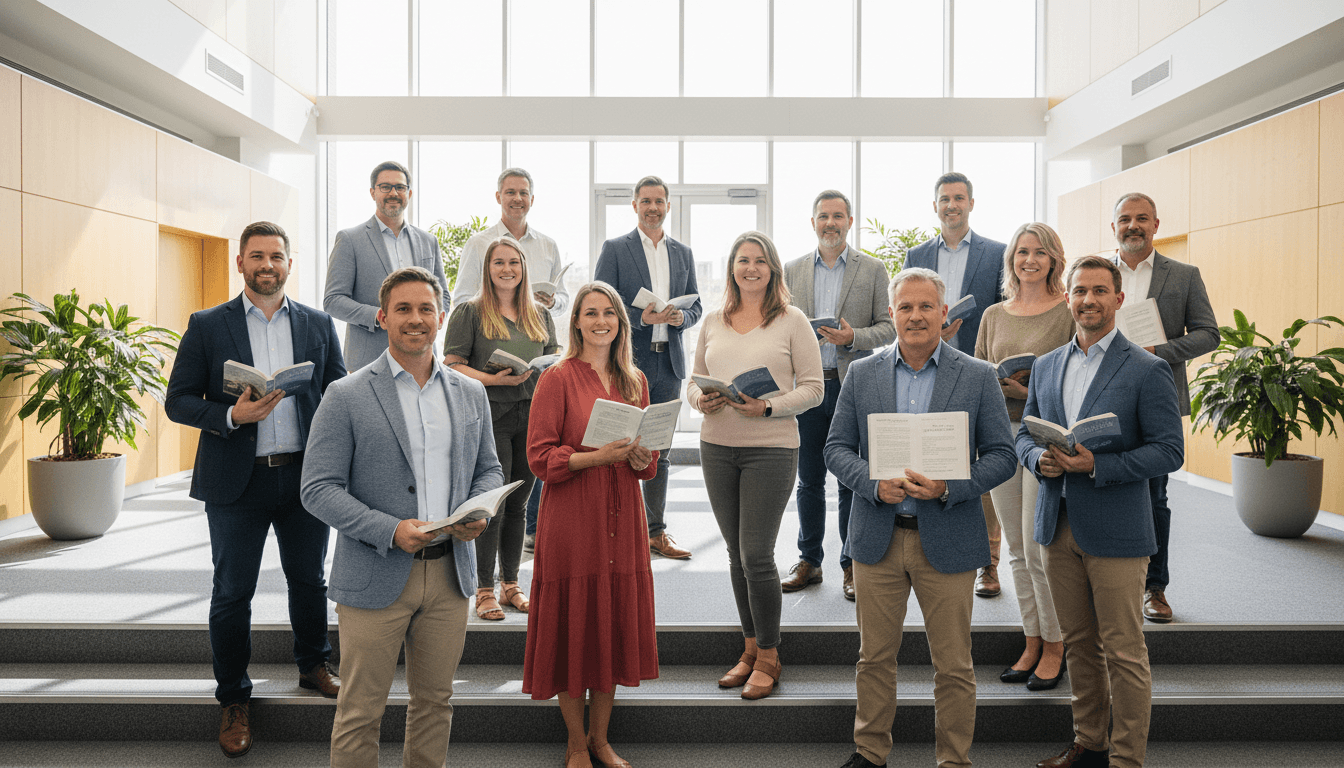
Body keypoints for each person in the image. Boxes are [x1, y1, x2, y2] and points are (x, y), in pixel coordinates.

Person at [300, 266, 504, 768]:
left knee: (435, 704)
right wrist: (389, 530)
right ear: (384, 317)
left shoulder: (469, 392)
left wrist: (478, 507)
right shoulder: (345, 394)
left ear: (440, 316)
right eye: (404, 309)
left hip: (451, 575)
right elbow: (317, 489)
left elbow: (488, 468)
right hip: (374, 571)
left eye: (426, 309)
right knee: (360, 711)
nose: (416, 319)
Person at [164, 221, 346, 758]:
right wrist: (230, 414)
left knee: (309, 580)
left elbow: (338, 394)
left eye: (277, 257)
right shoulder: (206, 324)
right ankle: (233, 699)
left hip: (303, 476)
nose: (268, 265)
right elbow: (177, 400)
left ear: (290, 264)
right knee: (232, 591)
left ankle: (314, 665)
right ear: (240, 263)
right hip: (235, 481)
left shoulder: (317, 323)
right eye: (258, 256)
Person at [824, 267, 1016, 768]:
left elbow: (1002, 454)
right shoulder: (862, 373)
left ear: (944, 313)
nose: (915, 316)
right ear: (891, 315)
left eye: (925, 306)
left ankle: (953, 759)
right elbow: (836, 447)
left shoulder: (976, 376)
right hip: (877, 538)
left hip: (948, 535)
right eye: (905, 307)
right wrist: (870, 482)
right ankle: (870, 752)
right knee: (873, 658)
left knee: (953, 665)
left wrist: (951, 487)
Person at [1017, 255, 1184, 768]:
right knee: (1079, 645)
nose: (1088, 300)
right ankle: (1089, 742)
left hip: (1117, 528)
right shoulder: (1046, 365)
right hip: (1057, 524)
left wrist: (1099, 465)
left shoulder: (1147, 369)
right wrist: (1037, 458)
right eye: (1079, 291)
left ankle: (1127, 758)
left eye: (1098, 290)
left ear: (1118, 298)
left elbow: (1170, 450)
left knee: (1125, 651)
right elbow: (1024, 430)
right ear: (1066, 298)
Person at [524, 281, 660, 768]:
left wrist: (642, 456)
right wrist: (594, 457)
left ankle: (601, 741)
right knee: (573, 629)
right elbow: (539, 458)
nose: (600, 321)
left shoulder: (635, 381)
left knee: (610, 627)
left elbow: (646, 468)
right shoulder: (556, 378)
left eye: (609, 313)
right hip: (572, 519)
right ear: (576, 321)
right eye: (590, 313)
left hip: (623, 518)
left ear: (621, 322)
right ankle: (576, 744)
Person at [686, 231, 823, 701]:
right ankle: (748, 649)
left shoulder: (791, 320)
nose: (750, 268)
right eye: (742, 260)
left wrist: (767, 408)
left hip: (771, 447)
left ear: (773, 269)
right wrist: (700, 398)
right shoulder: (712, 320)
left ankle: (769, 654)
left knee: (757, 555)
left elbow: (813, 388)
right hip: (717, 445)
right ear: (731, 268)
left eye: (759, 261)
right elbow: (692, 382)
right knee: (733, 554)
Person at [973, 223, 1075, 691]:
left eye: (1038, 252)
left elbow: (1078, 381)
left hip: (1042, 437)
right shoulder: (994, 314)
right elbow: (977, 371)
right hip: (999, 435)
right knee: (1014, 548)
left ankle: (1056, 645)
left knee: (1039, 548)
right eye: (1021, 252)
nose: (1028, 260)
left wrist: (1028, 390)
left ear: (1054, 258)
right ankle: (1031, 639)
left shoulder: (1068, 311)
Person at [1108, 192, 1218, 623]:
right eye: (1124, 219)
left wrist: (1161, 349)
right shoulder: (1095, 273)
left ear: (1156, 224)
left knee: (1155, 495)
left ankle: (1155, 588)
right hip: (1104, 397)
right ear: (1112, 227)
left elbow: (1210, 334)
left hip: (1157, 398)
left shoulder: (1184, 275)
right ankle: (1107, 582)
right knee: (1101, 486)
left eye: (1141, 219)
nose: (1132, 226)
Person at [781, 190, 895, 601]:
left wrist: (853, 337)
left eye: (838, 216)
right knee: (809, 479)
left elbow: (889, 327)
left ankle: (851, 565)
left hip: (853, 386)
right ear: (813, 223)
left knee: (850, 479)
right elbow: (780, 326)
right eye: (823, 216)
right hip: (807, 388)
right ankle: (809, 560)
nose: (830, 223)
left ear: (850, 221)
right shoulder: (791, 270)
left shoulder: (874, 269)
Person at [443, 236, 560, 621]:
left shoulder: (540, 315)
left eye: (514, 262)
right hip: (490, 415)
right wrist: (495, 381)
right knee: (490, 505)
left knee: (520, 504)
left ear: (524, 268)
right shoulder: (470, 312)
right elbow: (453, 364)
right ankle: (484, 589)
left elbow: (555, 359)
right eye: (498, 263)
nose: (507, 269)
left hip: (533, 416)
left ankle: (511, 584)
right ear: (487, 269)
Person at [906, 171, 1009, 599]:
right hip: (928, 368)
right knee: (935, 460)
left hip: (976, 370)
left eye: (959, 198)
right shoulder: (917, 253)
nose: (952, 205)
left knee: (979, 462)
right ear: (935, 206)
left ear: (971, 203)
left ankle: (989, 561)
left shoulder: (997, 253)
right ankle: (934, 549)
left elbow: (1004, 311)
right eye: (944, 199)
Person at [594, 175, 703, 561]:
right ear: (635, 205)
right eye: (645, 201)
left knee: (659, 451)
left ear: (668, 206)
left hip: (668, 364)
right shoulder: (615, 248)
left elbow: (697, 308)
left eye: (659, 201)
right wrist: (643, 317)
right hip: (627, 364)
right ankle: (616, 529)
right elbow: (600, 304)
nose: (653, 207)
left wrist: (680, 318)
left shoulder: (683, 253)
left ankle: (655, 532)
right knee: (619, 446)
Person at [325, 160, 451, 371]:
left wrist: (430, 322)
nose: (393, 192)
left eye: (400, 187)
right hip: (370, 360)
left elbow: (443, 296)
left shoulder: (428, 241)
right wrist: (379, 316)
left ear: (409, 194)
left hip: (423, 358)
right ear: (373, 193)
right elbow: (333, 300)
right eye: (385, 187)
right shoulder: (350, 239)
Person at [451, 167, 571, 320]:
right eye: (510, 192)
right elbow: (462, 300)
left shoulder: (548, 245)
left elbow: (563, 298)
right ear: (498, 197)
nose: (518, 198)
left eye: (523, 193)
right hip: (491, 338)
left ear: (532, 199)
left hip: (537, 338)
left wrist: (552, 303)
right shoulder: (477, 244)